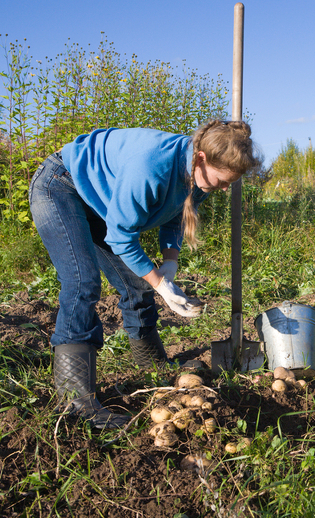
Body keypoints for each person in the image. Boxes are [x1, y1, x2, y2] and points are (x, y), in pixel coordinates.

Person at [29, 119, 260, 429]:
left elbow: (177, 214)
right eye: (222, 180)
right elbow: (121, 237)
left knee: (137, 285)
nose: (224, 187)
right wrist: (162, 285)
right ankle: (76, 401)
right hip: (61, 185)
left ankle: (152, 365)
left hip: (100, 202)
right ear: (202, 158)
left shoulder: (198, 174)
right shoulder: (152, 166)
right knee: (82, 281)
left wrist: (170, 261)